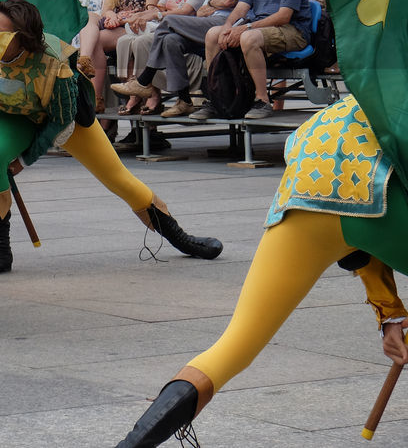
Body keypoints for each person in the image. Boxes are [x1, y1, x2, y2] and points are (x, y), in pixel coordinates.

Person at [113, 95, 408, 447]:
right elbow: (374, 211)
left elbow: (359, 219)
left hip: (306, 195)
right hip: (364, 202)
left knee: (234, 347)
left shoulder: (362, 93)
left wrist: (390, 315)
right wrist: (388, 314)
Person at [0, 0, 223, 279]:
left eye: (2, 33)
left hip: (66, 120)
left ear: (23, 37)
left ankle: (181, 238)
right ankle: (0, 250)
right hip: (16, 116)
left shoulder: (54, 60)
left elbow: (60, 119)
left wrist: (24, 159)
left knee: (120, 180)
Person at [112, 0, 256, 119]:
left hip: (229, 24)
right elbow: (204, 9)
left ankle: (144, 79)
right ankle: (184, 100)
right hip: (207, 22)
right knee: (170, 39)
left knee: (167, 22)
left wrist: (213, 3)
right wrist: (214, 3)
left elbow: (228, 2)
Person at [190, 0, 311, 121]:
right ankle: (216, 97)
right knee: (213, 34)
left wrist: (245, 27)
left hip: (292, 30)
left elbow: (284, 16)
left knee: (248, 37)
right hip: (260, 25)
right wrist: (229, 26)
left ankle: (262, 100)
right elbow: (242, 6)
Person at [112, 0, 212, 116]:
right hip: (164, 28)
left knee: (142, 41)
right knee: (124, 39)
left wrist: (156, 13)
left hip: (185, 34)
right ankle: (136, 91)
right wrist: (138, 16)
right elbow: (160, 7)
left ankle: (148, 89)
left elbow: (186, 12)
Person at [85, 0, 159, 108]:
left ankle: (128, 93)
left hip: (139, 25)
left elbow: (151, 10)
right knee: (95, 38)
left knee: (101, 39)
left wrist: (124, 17)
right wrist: (112, 16)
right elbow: (107, 8)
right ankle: (98, 97)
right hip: (119, 26)